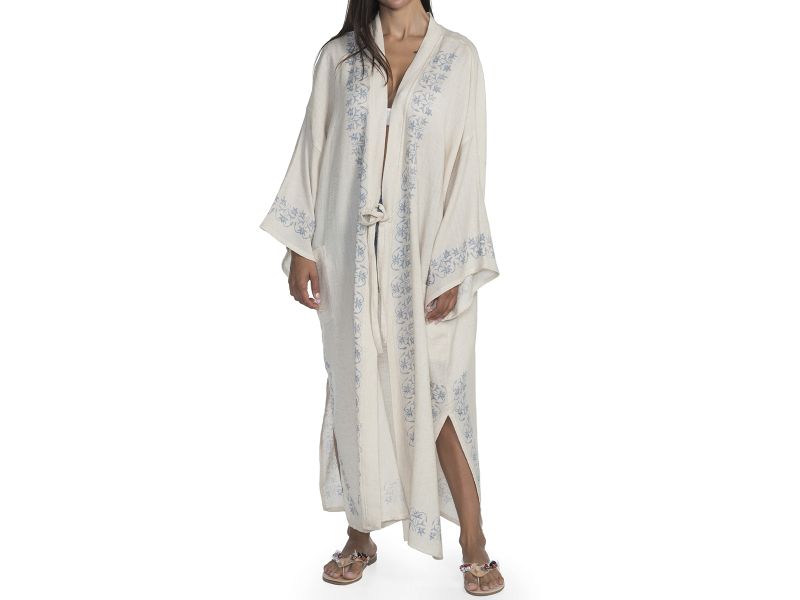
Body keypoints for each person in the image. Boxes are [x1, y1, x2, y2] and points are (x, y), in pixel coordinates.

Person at [259, 1, 503, 595]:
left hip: (426, 259)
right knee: (357, 387)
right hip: (348, 256)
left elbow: (468, 163)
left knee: (439, 392)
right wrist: (302, 246)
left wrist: (452, 264)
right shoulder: (340, 58)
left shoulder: (458, 57)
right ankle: (360, 535)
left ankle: (474, 544)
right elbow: (314, 148)